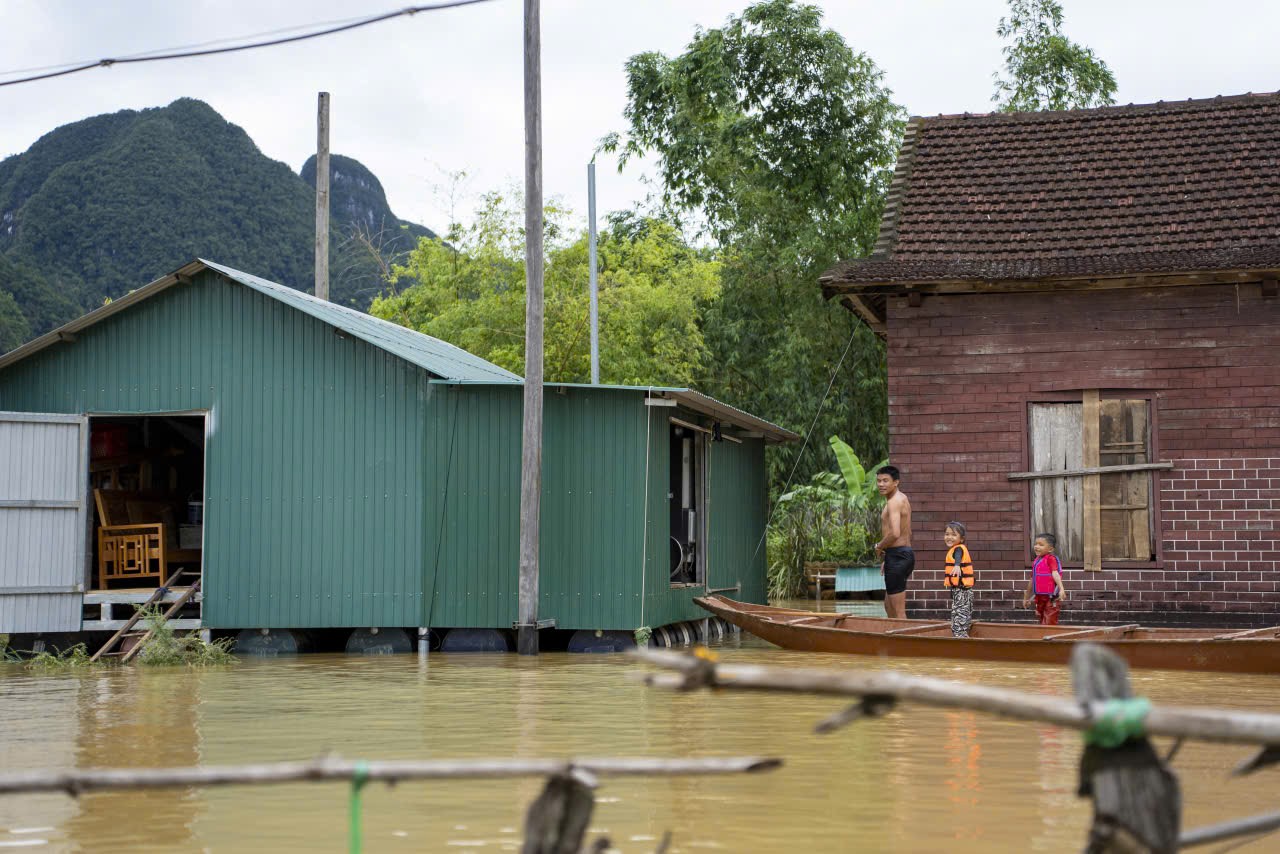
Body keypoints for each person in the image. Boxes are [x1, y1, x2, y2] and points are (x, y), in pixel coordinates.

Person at [874, 465, 913, 619]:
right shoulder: (902, 498)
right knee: (888, 606)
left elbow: (895, 533)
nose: (881, 484)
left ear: (896, 482)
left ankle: (905, 642)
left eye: (885, 481)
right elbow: (906, 531)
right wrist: (888, 557)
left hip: (899, 556)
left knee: (898, 611)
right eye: (878, 481)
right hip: (899, 555)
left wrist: (879, 546)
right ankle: (892, 638)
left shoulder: (894, 502)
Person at [1022, 532, 1068, 625]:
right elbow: (1032, 579)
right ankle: (1043, 636)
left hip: (1051, 597)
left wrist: (1061, 588)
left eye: (1041, 545)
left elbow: (1055, 573)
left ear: (1050, 549)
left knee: (1049, 621)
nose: (1037, 546)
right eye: (1036, 544)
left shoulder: (1050, 559)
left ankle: (1049, 636)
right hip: (1039, 597)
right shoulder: (1036, 561)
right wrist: (1026, 597)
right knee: (1041, 618)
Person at [943, 521, 975, 638]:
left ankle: (960, 640)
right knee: (961, 615)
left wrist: (957, 565)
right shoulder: (955, 549)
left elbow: (958, 556)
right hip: (961, 591)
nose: (949, 537)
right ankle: (962, 636)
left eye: (953, 534)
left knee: (959, 618)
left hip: (962, 591)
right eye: (947, 534)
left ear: (961, 539)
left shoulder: (958, 549)